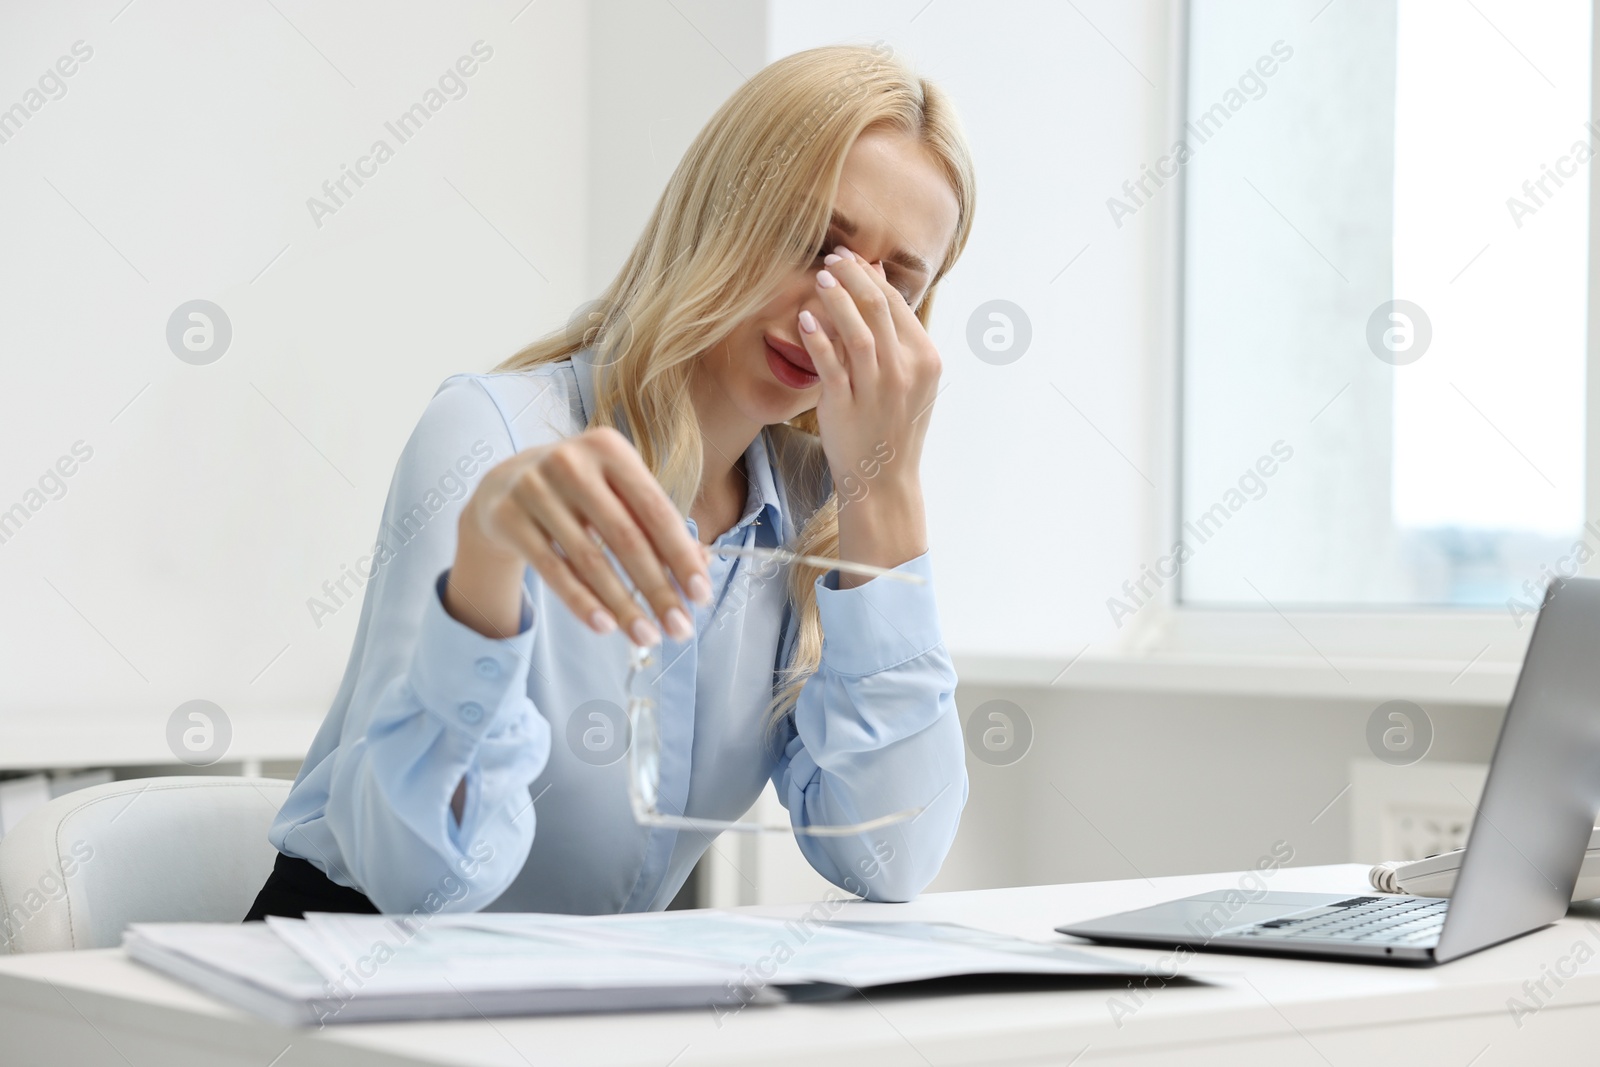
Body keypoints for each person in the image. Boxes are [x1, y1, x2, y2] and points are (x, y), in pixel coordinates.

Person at [245, 42, 977, 920]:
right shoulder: (496, 434)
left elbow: (890, 854)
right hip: (352, 988)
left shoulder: (819, 510)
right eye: (812, 241)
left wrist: (886, 493)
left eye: (890, 287)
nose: (834, 312)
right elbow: (420, 878)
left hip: (575, 1008)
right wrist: (486, 568)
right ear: (725, 209)